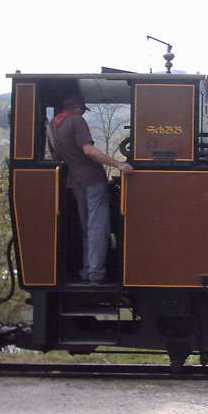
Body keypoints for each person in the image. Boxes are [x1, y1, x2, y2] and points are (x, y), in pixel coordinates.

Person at [50, 94, 133, 283]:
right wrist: (118, 164)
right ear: (78, 108)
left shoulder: (56, 124)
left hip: (75, 180)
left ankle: (88, 270)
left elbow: (57, 154)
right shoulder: (76, 121)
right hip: (92, 179)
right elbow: (88, 150)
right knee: (98, 227)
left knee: (87, 226)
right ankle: (96, 272)